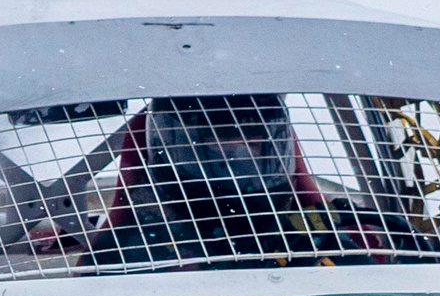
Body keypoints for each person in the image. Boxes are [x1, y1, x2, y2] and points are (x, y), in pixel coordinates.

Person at [84, 95, 393, 269]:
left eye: (253, 145)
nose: (240, 160)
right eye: (225, 146)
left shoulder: (309, 235)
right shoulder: (131, 249)